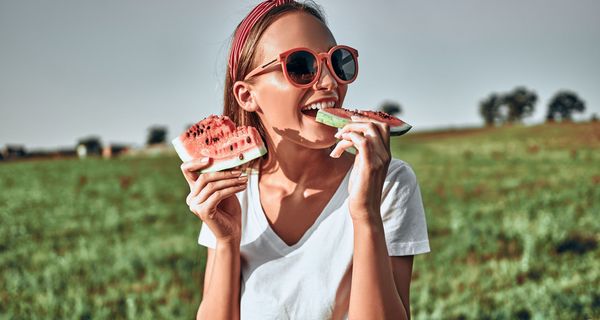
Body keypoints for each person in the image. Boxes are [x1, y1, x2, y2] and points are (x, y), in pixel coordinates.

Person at [179, 1, 430, 319]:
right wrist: (227, 239)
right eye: (300, 66)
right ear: (247, 95)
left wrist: (365, 215)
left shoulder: (389, 182)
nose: (328, 83)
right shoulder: (231, 188)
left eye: (338, 63)